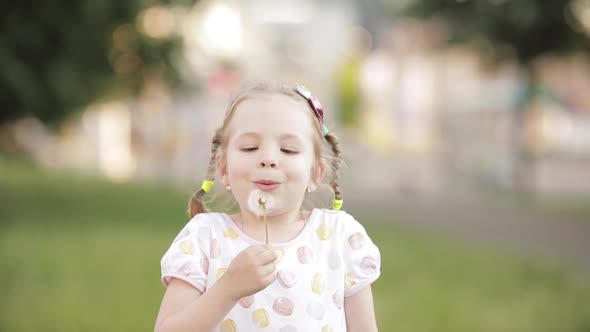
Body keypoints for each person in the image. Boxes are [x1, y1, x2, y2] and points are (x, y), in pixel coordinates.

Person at [154, 81, 381, 332]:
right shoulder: (204, 238)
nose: (269, 159)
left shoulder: (340, 238)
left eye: (288, 150)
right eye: (250, 147)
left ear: (316, 172)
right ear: (223, 168)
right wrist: (227, 289)